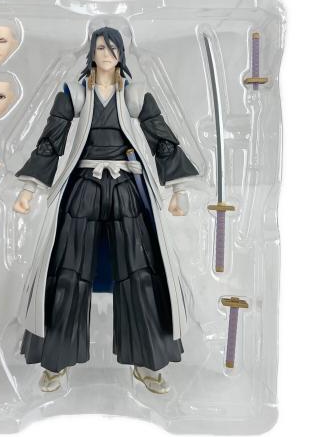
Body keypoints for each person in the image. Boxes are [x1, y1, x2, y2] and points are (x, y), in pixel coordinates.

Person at [13, 26, 199, 394]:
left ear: (121, 54)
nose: (107, 53)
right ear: (92, 53)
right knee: (68, 272)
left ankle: (147, 363)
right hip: (83, 187)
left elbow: (161, 137)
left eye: (113, 48)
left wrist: (179, 189)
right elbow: (51, 140)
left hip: (126, 188)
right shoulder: (75, 95)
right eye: (100, 47)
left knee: (140, 273)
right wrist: (29, 188)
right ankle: (57, 362)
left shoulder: (134, 95)